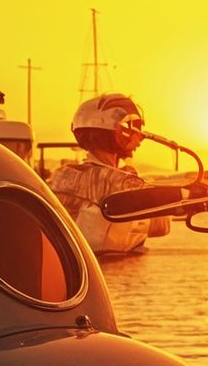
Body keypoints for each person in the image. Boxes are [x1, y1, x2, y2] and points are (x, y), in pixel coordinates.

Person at [49, 93, 171, 255]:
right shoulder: (115, 181)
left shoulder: (64, 175)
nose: (139, 137)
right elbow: (161, 223)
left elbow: (160, 225)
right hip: (105, 270)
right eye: (130, 127)